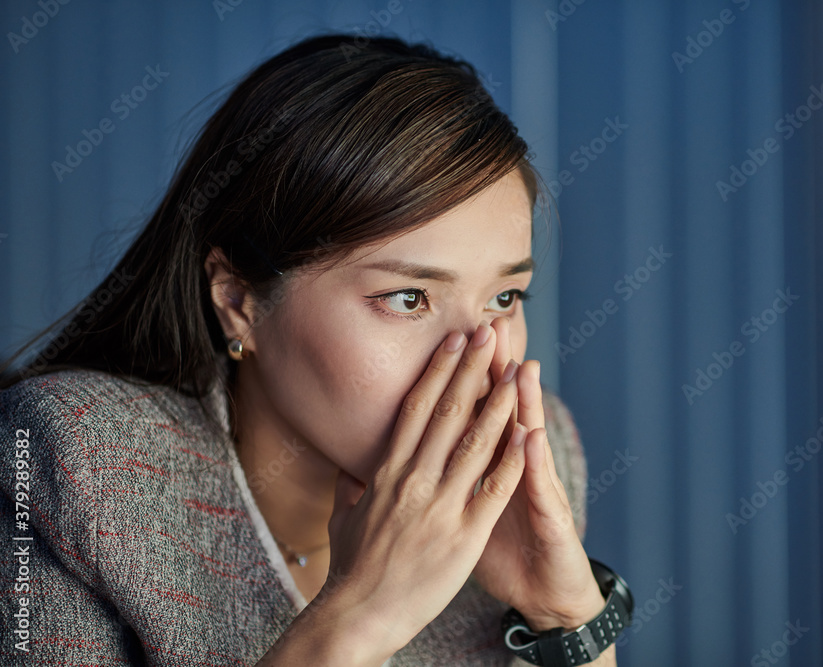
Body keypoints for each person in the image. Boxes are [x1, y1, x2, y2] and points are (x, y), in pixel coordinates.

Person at [0, 35, 628, 665]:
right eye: (408, 298)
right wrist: (360, 618)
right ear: (240, 302)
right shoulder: (79, 462)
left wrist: (568, 619)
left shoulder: (534, 466)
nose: (483, 363)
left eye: (504, 299)